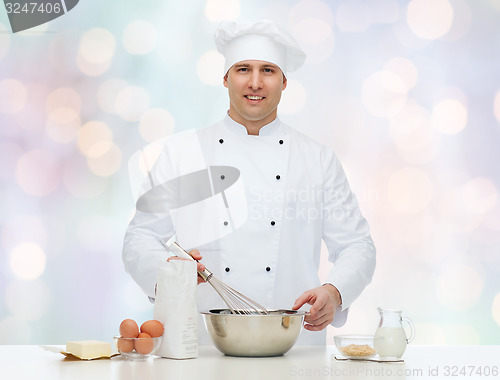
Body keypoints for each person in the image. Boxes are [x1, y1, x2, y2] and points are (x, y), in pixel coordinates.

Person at [123, 19, 376, 345]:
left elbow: (357, 246)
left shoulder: (317, 159)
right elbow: (139, 238)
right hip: (202, 346)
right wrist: (168, 270)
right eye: (243, 69)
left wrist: (334, 291)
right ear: (226, 78)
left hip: (293, 346)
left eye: (268, 71)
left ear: (284, 82)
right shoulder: (182, 154)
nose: (255, 82)